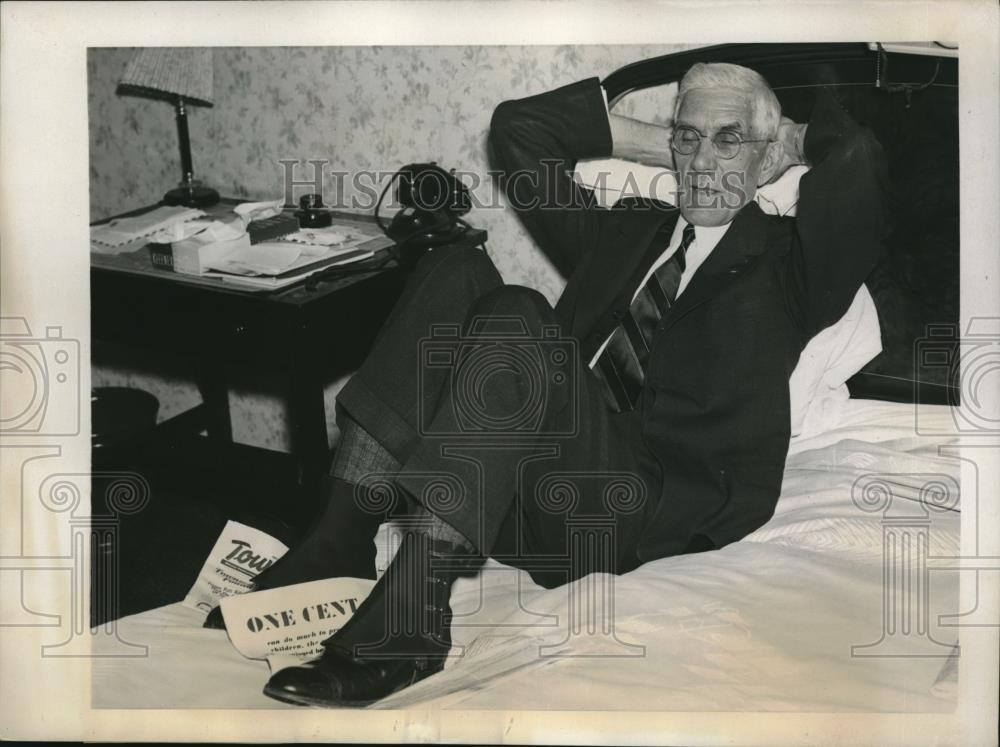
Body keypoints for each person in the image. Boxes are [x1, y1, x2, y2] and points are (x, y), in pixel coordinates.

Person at [208, 61, 887, 707]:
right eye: (690, 138)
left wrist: (789, 142)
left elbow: (856, 163)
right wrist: (662, 143)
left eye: (728, 141)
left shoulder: (790, 265)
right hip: (519, 493)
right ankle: (340, 536)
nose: (704, 162)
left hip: (639, 510)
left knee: (519, 315)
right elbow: (520, 132)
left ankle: (415, 613)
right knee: (455, 266)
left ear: (764, 156)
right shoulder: (625, 231)